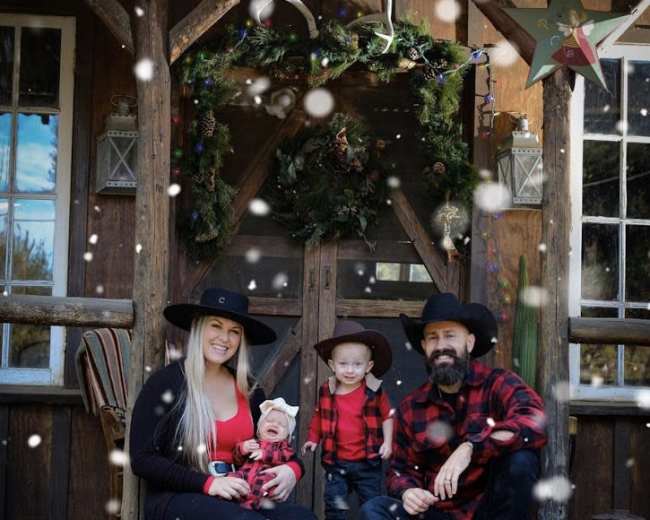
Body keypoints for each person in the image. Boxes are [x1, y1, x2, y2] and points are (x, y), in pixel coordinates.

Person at [129, 288, 316, 520]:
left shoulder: (249, 389)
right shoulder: (165, 383)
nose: (224, 338)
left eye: (234, 331)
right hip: (179, 496)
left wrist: (293, 469)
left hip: (242, 495)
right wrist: (209, 483)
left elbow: (276, 442)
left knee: (302, 518)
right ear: (199, 327)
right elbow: (142, 459)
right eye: (215, 326)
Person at [360, 292, 547, 520]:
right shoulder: (411, 407)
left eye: (450, 336)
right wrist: (408, 491)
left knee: (521, 461)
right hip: (437, 513)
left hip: (489, 511)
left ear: (469, 342)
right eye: (432, 338)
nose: (441, 346)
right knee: (375, 509)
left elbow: (534, 421)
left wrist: (472, 447)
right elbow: (399, 469)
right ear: (423, 346)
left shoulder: (498, 384)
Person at [302, 320, 394, 519]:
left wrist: (387, 442)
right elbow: (319, 415)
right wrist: (312, 438)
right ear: (332, 365)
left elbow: (387, 416)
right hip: (336, 461)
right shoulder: (327, 390)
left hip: (368, 461)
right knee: (335, 504)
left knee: (371, 503)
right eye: (343, 364)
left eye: (357, 364)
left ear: (368, 366)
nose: (350, 370)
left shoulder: (374, 390)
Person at [228, 398, 300, 510]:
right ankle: (227, 500)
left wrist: (265, 454)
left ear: (287, 436)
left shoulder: (283, 447)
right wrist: (243, 448)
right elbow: (237, 459)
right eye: (269, 420)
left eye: (281, 424)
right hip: (245, 475)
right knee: (232, 478)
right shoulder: (254, 442)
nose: (275, 424)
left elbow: (283, 456)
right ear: (259, 428)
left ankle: (252, 504)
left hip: (265, 478)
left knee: (264, 485)